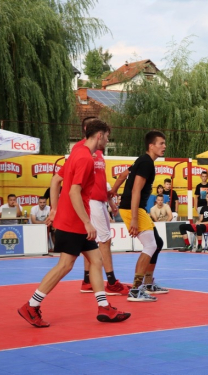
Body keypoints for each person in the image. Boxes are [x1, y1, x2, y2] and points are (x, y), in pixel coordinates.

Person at [18, 120, 131, 327]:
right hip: (74, 221)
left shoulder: (77, 153)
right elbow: (73, 191)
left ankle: (104, 306)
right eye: (107, 136)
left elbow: (56, 180)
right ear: (99, 136)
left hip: (73, 218)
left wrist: (54, 209)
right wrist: (87, 222)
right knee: (65, 265)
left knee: (96, 261)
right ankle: (31, 306)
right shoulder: (85, 158)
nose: (107, 140)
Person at [54, 117, 126, 296]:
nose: (108, 139)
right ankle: (110, 282)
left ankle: (90, 284)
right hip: (89, 202)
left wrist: (109, 200)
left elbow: (100, 179)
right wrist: (55, 209)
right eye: (107, 135)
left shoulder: (98, 153)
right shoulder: (81, 152)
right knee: (101, 243)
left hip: (99, 200)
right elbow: (66, 185)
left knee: (91, 250)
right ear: (93, 131)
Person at [113, 131, 169, 302]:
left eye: (164, 143)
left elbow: (123, 175)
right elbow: (136, 190)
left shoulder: (142, 160)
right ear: (151, 146)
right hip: (133, 209)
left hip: (135, 208)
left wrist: (113, 191)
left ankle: (148, 283)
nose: (164, 146)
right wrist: (135, 219)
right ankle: (136, 290)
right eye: (161, 143)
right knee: (150, 245)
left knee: (157, 243)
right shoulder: (146, 163)